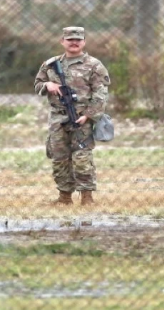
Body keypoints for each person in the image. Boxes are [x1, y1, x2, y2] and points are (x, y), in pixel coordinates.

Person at [33, 26, 110, 205]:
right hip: (57, 119)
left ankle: (87, 198)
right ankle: (64, 198)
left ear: (84, 42)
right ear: (62, 42)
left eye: (78, 40)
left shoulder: (94, 65)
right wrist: (47, 85)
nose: (74, 43)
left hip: (81, 118)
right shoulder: (50, 64)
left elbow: (100, 94)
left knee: (82, 158)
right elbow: (37, 85)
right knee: (59, 158)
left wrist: (88, 115)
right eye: (70, 40)